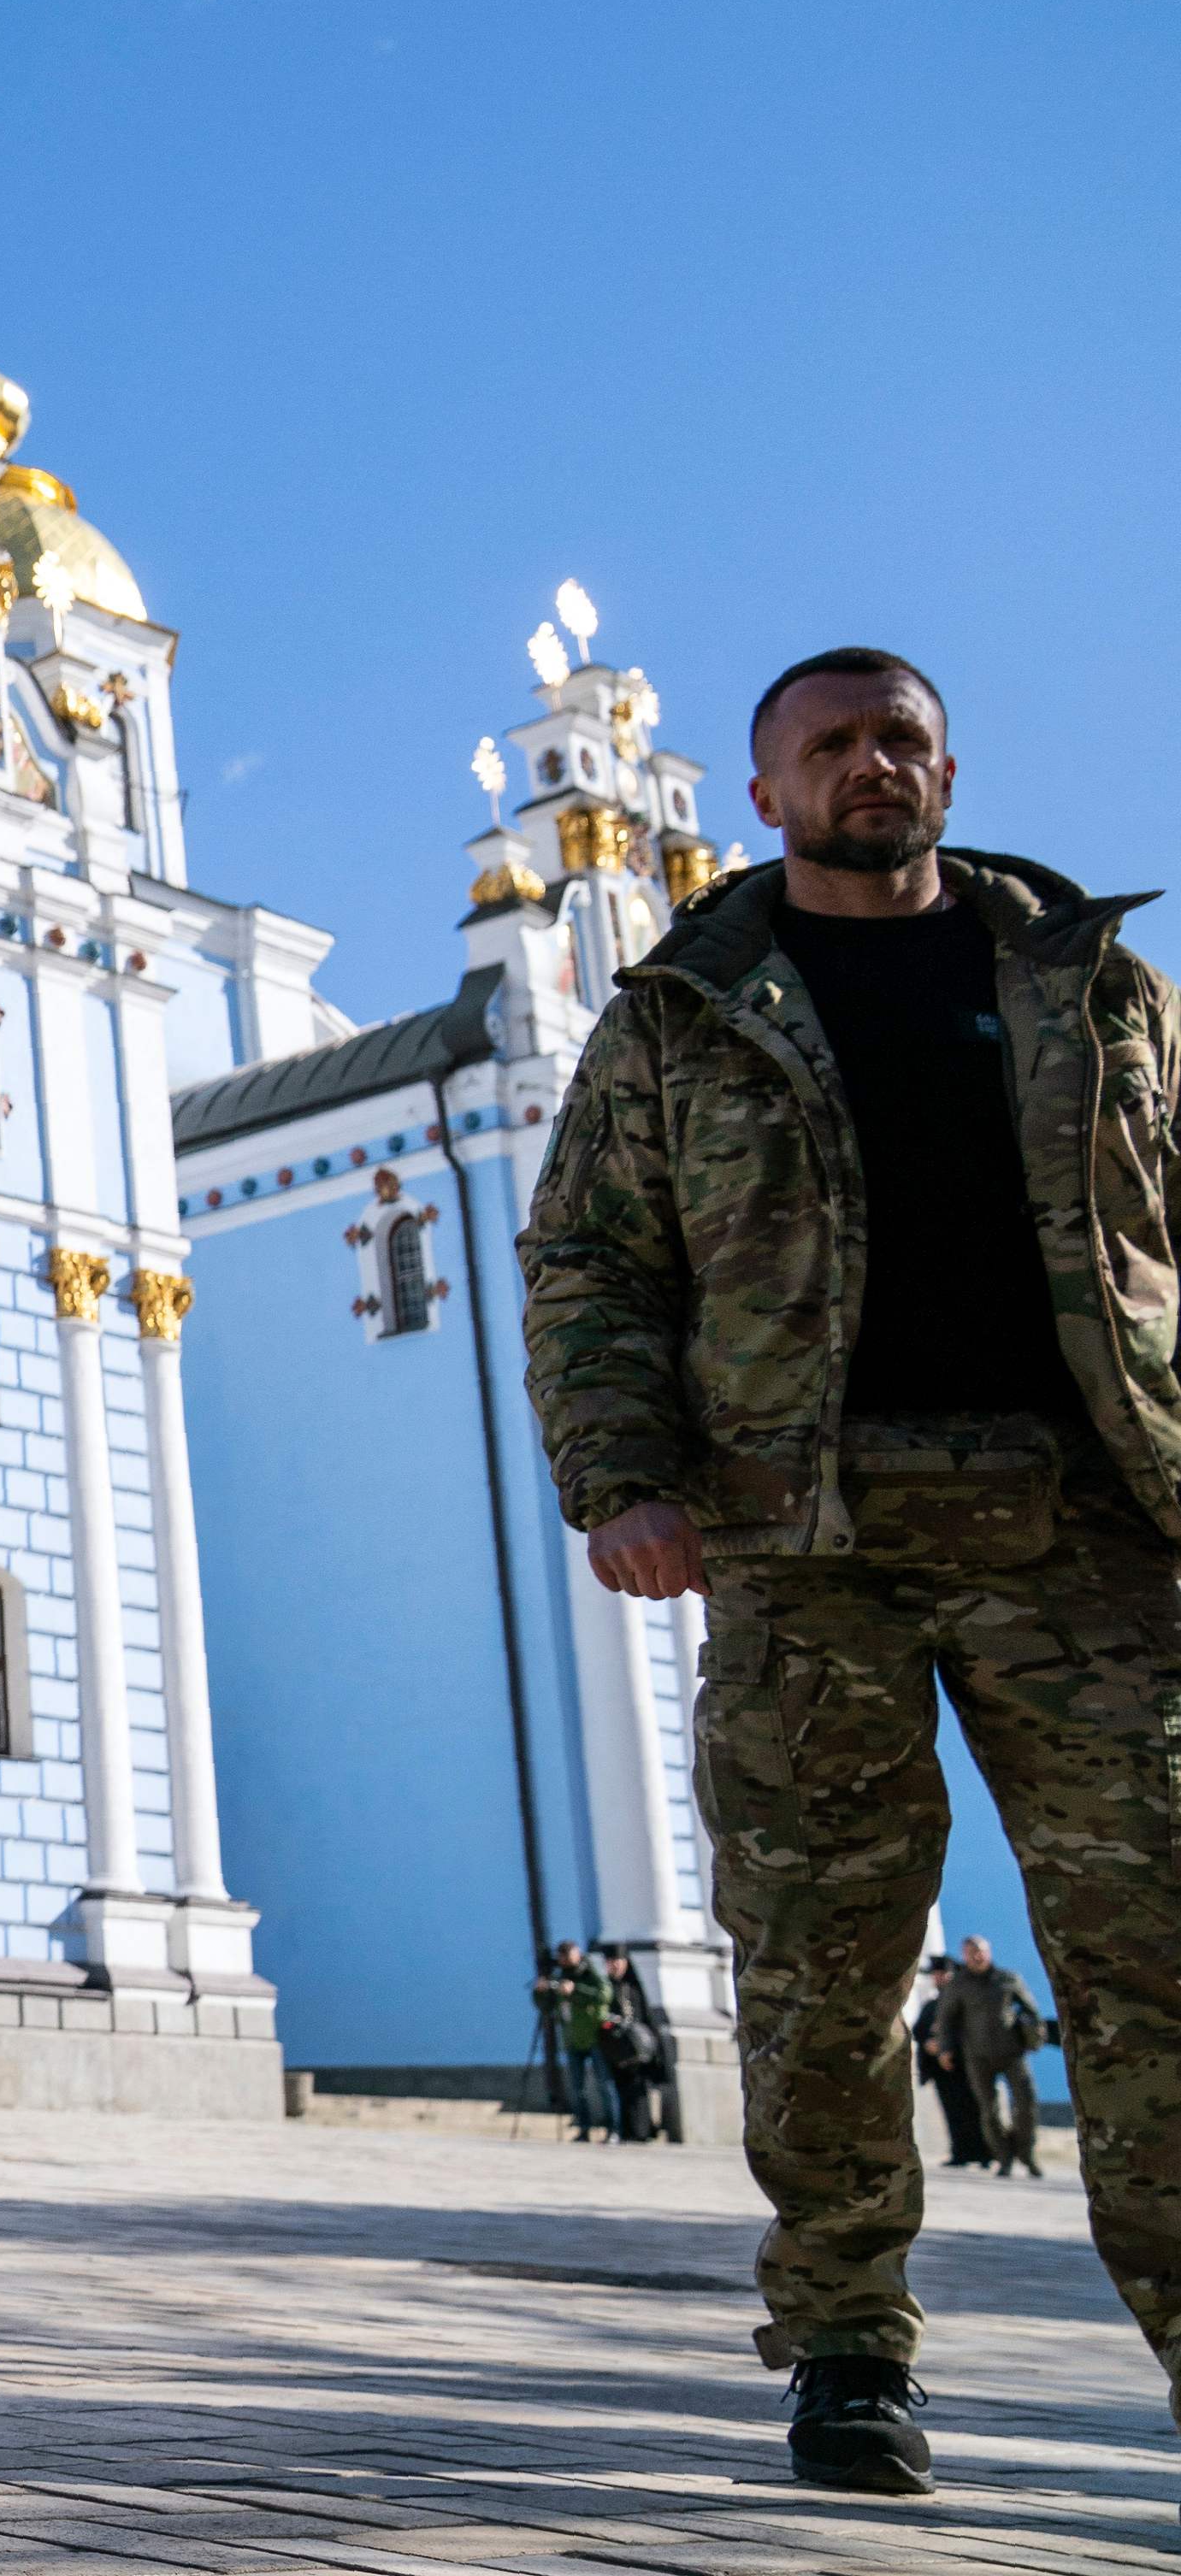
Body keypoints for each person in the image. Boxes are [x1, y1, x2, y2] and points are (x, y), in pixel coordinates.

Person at [523, 646, 1181, 2499]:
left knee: (1158, 1961)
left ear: (950, 768)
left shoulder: (1098, 987)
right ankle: (844, 2346)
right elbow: (587, 1267)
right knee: (821, 1976)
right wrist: (623, 1480)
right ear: (768, 795)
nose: (869, 766)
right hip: (810, 1551)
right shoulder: (679, 1017)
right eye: (831, 745)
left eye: (899, 737)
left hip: (1090, 1539)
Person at [940, 1935, 1048, 2180]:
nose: (977, 1956)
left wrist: (1035, 2036)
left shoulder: (1008, 1979)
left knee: (1026, 2104)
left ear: (988, 1952)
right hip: (978, 2056)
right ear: (965, 1955)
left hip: (1012, 2052)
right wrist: (946, 2049)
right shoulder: (958, 1984)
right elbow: (946, 2020)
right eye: (971, 1952)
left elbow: (1031, 2010)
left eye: (980, 1951)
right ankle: (1004, 2157)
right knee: (990, 2110)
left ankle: (1027, 2153)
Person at [912, 1958, 989, 2169]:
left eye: (943, 1974)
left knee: (974, 2109)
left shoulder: (964, 2002)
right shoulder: (931, 2005)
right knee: (952, 2111)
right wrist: (929, 2043)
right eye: (936, 1974)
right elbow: (919, 2030)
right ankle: (960, 2152)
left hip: (963, 2065)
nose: (939, 1978)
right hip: (940, 2069)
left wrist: (947, 2047)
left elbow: (970, 2030)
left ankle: (984, 2153)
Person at [532, 1942, 611, 2139]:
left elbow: (604, 1995)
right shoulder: (559, 1975)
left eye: (569, 1956)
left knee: (605, 2085)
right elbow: (547, 2007)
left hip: (595, 2036)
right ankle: (584, 2130)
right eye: (562, 1957)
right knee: (578, 2088)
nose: (566, 1961)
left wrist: (575, 1989)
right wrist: (540, 1992)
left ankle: (613, 2129)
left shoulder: (590, 1971)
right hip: (571, 2038)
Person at [599, 1948, 673, 2143]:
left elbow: (644, 2017)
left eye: (618, 1961)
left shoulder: (633, 1987)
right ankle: (624, 2129)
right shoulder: (605, 1987)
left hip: (638, 2047)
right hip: (615, 2047)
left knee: (639, 2089)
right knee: (619, 2088)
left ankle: (643, 2130)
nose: (614, 1965)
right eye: (611, 1961)